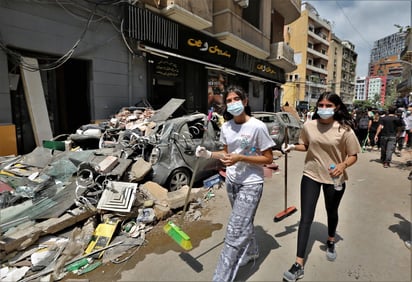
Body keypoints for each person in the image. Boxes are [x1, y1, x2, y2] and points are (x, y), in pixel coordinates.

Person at [196, 85, 275, 282]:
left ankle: (221, 279)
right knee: (242, 223)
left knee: (233, 232)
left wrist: (241, 158)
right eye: (228, 101)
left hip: (251, 183)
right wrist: (208, 154)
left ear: (245, 102)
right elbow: (226, 153)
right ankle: (252, 251)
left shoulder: (257, 126)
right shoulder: (226, 127)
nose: (232, 103)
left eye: (236, 99)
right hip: (232, 182)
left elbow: (268, 159)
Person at [281, 92, 361, 282]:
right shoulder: (309, 125)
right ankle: (298, 263)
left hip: (335, 178)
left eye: (328, 105)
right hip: (311, 175)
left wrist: (342, 165)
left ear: (337, 107)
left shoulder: (344, 130)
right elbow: (305, 145)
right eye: (321, 105)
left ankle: (331, 240)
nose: (324, 109)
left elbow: (353, 155)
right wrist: (292, 147)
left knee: (331, 211)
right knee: (306, 218)